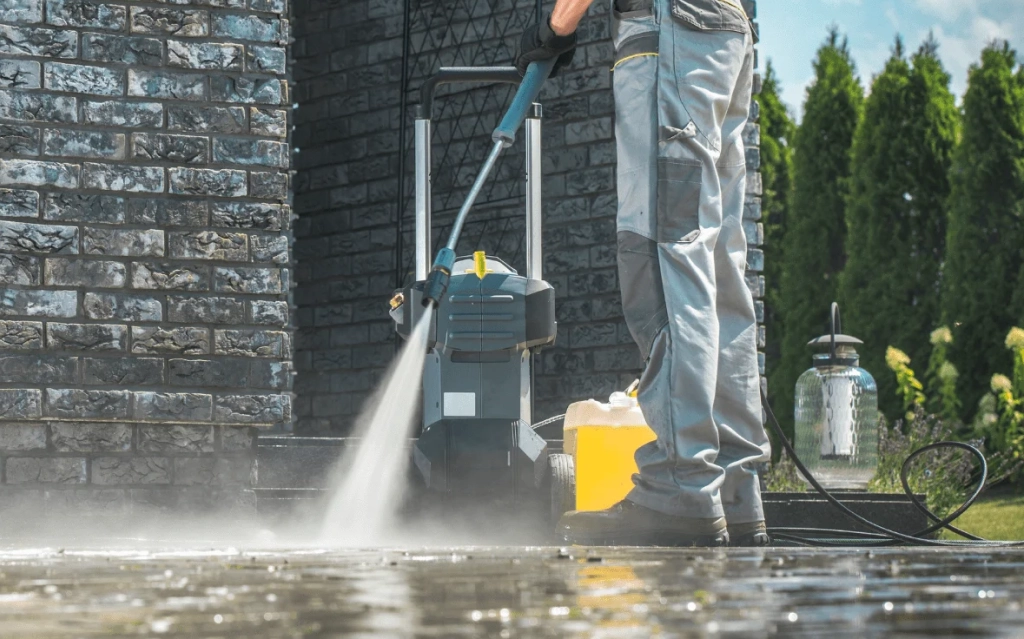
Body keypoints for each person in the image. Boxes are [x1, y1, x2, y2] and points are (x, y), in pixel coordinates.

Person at [516, 0, 771, 547]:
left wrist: (555, 27)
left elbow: (560, 21)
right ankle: (733, 489)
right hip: (726, 34)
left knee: (663, 251)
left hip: (667, 31)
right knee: (717, 263)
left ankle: (680, 487)